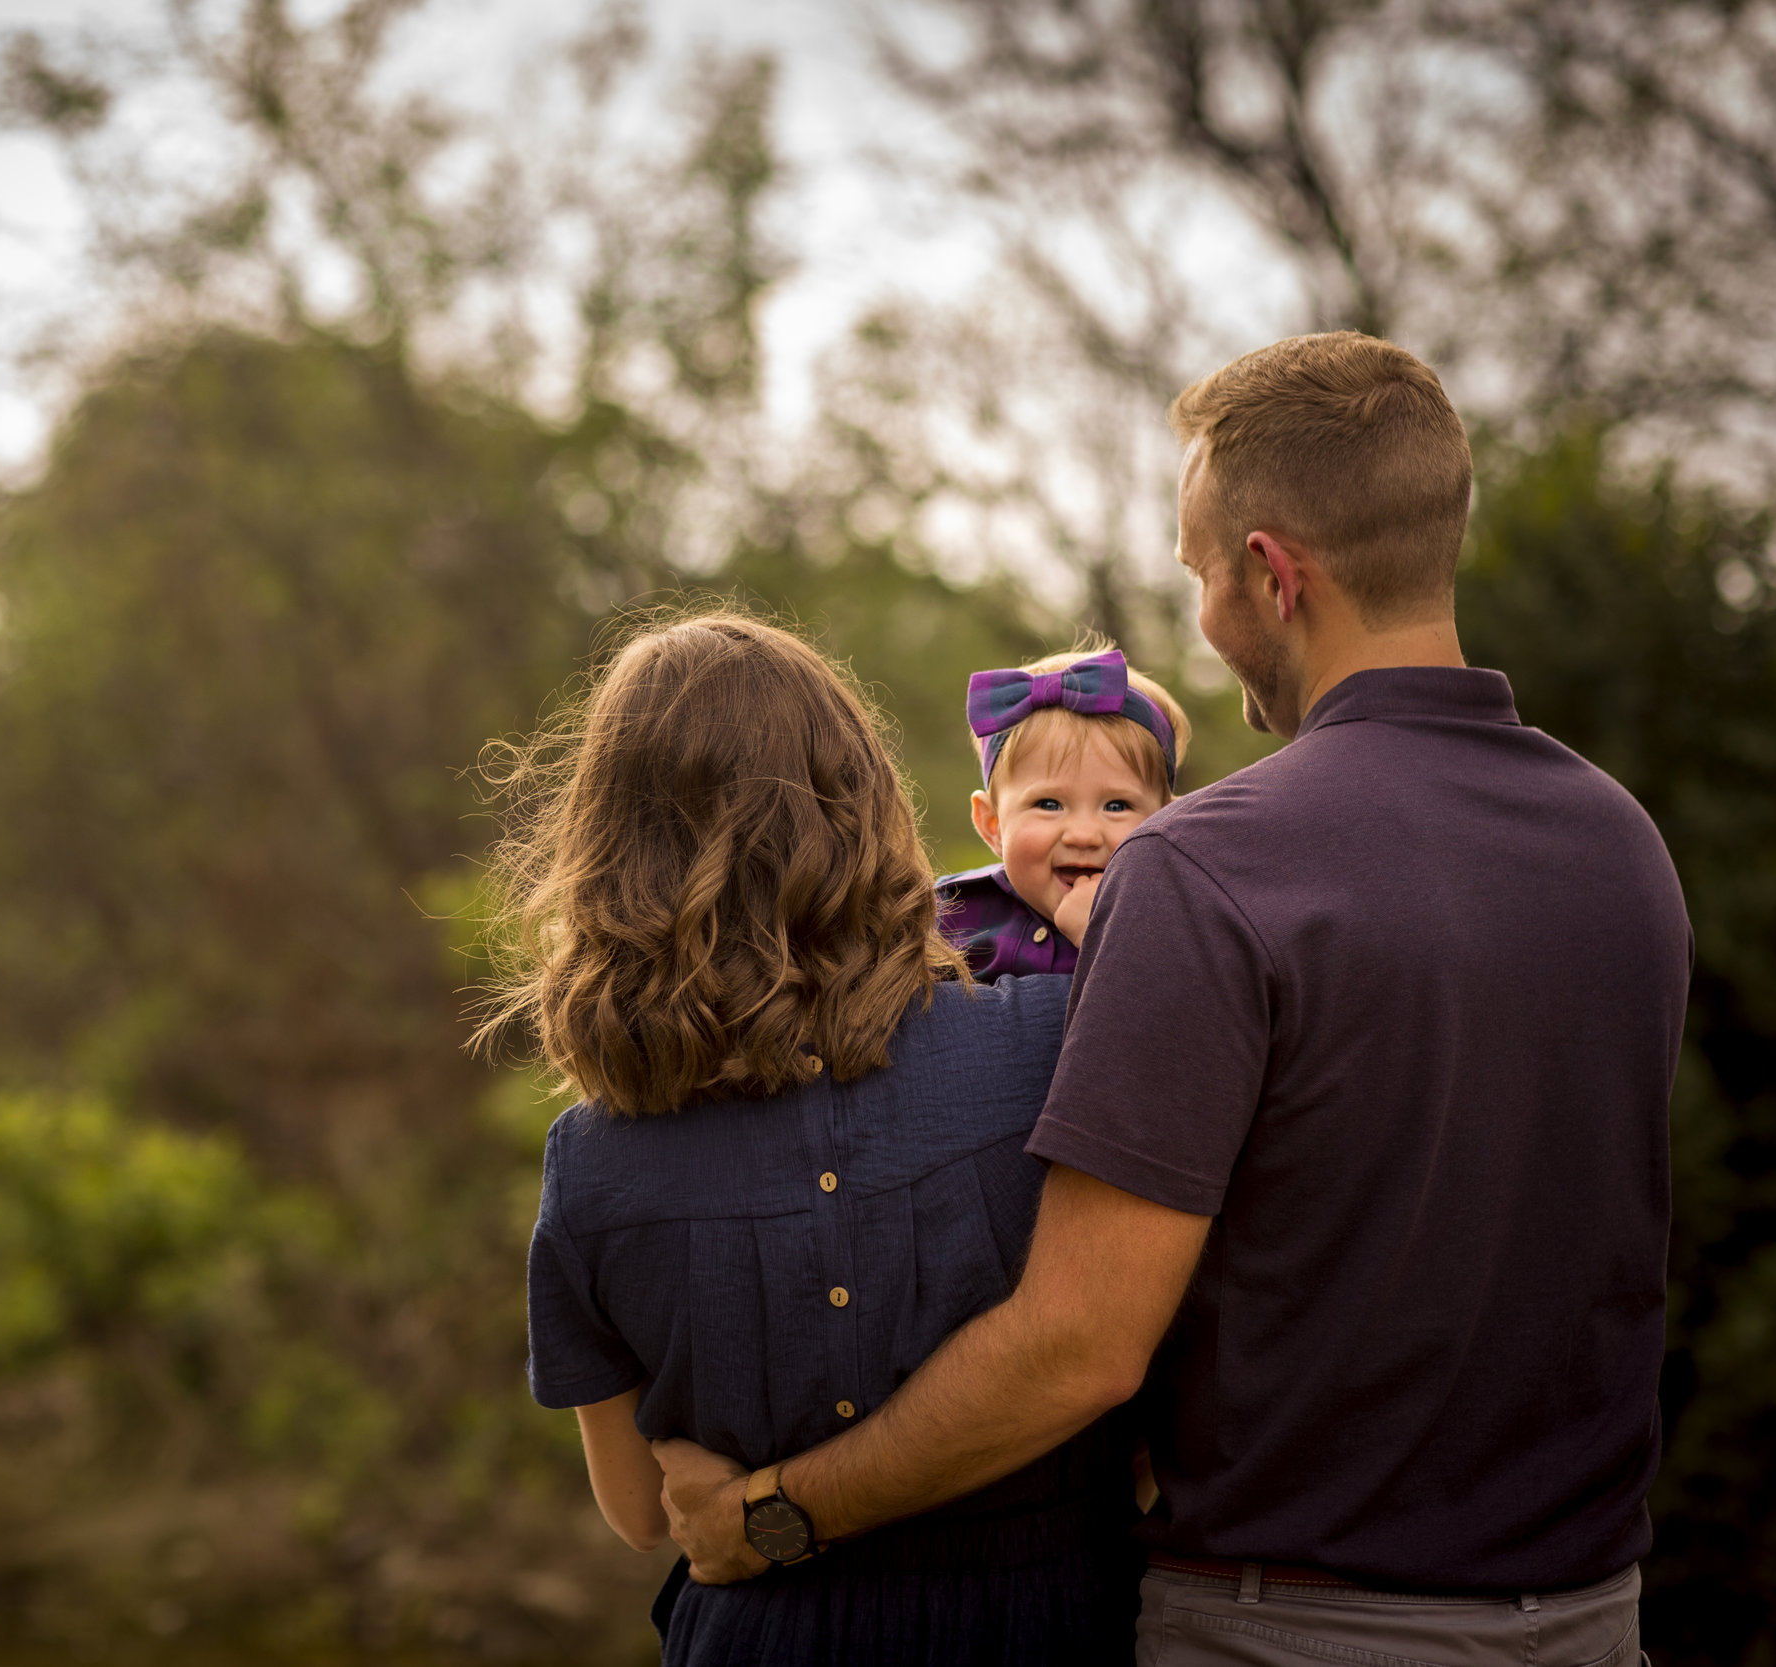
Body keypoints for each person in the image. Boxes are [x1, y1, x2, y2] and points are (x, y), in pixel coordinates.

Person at [655, 333, 1690, 1667]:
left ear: (1271, 571)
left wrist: (776, 1514)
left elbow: (1080, 1345)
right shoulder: (1619, 843)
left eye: (1202, 572)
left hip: (1293, 1628)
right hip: (1599, 1616)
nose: (1203, 611)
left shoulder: (1204, 867)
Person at [485, 613, 1140, 1664]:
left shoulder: (592, 1161)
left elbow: (641, 1510)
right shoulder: (1052, 1044)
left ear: (606, 852)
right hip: (1051, 1618)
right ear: (869, 804)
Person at [936, 645, 1191, 976]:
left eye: (1116, 806)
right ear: (992, 824)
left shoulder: (1180, 928)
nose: (1083, 835)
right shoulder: (944, 915)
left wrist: (1107, 938)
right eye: (1049, 804)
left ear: (1168, 823)